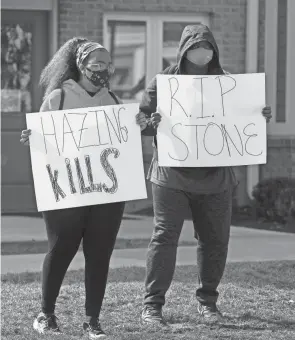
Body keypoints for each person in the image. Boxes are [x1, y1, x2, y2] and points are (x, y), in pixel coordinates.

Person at [139, 24, 272, 325]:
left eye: (208, 46)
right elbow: (141, 121)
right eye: (196, 46)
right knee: (164, 237)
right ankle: (152, 305)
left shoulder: (228, 83)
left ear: (215, 51)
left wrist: (259, 115)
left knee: (215, 240)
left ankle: (208, 302)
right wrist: (151, 121)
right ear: (184, 50)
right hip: (171, 174)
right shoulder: (164, 82)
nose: (203, 51)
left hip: (216, 177)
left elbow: (245, 120)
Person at [20, 37, 147, 339]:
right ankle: (46, 314)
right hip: (67, 190)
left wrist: (137, 124)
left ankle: (93, 320)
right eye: (96, 65)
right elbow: (44, 140)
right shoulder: (58, 99)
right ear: (80, 66)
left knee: (100, 253)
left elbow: (122, 141)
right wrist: (32, 137)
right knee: (62, 248)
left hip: (106, 194)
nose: (103, 70)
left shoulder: (114, 102)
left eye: (108, 65)